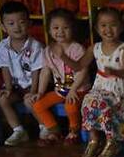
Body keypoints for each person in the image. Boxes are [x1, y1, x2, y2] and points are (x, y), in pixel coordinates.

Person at [80, 7, 124, 157]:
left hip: (119, 89)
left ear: (121, 27)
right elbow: (79, 65)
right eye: (103, 25)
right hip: (100, 86)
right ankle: (94, 140)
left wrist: (115, 72)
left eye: (113, 25)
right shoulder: (95, 48)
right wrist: (63, 56)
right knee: (88, 101)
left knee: (103, 103)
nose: (108, 29)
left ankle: (113, 140)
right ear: (97, 28)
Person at [33, 8, 89, 144]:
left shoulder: (77, 49)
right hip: (61, 90)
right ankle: (54, 131)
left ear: (72, 29)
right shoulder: (47, 51)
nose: (60, 32)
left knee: (70, 106)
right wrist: (40, 92)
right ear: (49, 30)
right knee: (38, 105)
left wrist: (74, 90)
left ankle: (73, 131)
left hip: (79, 90)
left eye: (65, 28)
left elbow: (83, 71)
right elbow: (45, 72)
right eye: (56, 28)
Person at [0, 1, 44, 146]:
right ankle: (18, 130)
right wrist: (8, 89)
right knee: (3, 98)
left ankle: (44, 127)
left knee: (30, 101)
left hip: (33, 85)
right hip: (16, 86)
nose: (17, 27)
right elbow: (5, 68)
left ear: (29, 24)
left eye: (21, 22)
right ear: (3, 27)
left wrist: (33, 91)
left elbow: (37, 71)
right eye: (11, 23)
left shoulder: (35, 46)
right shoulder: (2, 46)